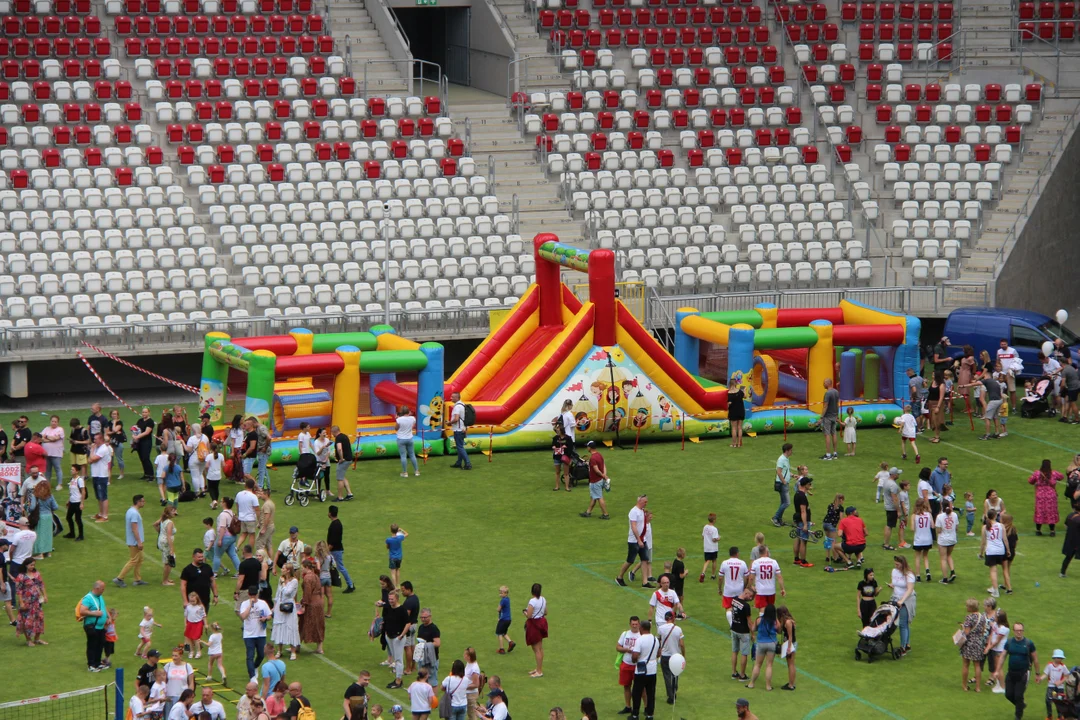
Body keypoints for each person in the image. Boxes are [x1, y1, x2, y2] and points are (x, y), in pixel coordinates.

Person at [1003, 622, 1042, 720]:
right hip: (1011, 672)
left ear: (1023, 631)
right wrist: (997, 669)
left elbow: (1035, 659)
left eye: (1021, 630)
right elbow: (1003, 656)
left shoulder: (1029, 643)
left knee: (1018, 696)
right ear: (1014, 631)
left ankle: (1018, 716)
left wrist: (1037, 674)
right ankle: (1021, 705)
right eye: (1017, 630)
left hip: (1023, 673)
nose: (1019, 632)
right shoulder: (1009, 642)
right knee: (1008, 694)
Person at [616, 494, 652, 588]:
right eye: (645, 501)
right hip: (634, 541)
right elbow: (633, 526)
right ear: (639, 501)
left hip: (642, 539)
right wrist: (639, 540)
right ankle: (619, 577)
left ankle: (645, 582)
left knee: (645, 559)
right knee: (630, 560)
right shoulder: (634, 511)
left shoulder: (642, 511)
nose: (646, 503)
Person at [114, 494, 148, 588]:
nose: (144, 502)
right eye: (143, 501)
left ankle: (137, 579)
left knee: (140, 559)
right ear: (138, 502)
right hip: (135, 542)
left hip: (134, 541)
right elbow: (134, 529)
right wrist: (139, 542)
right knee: (133, 560)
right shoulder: (134, 513)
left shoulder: (131, 511)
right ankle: (119, 578)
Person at [629, 617, 659, 719]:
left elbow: (635, 655)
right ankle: (650, 715)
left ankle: (635, 714)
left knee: (637, 693)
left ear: (641, 628)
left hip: (641, 670)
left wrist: (635, 660)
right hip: (652, 670)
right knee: (651, 693)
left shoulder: (640, 640)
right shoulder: (655, 639)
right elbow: (659, 653)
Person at [745, 604, 778, 690]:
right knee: (769, 665)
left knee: (758, 664)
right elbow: (779, 630)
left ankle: (751, 683)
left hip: (761, 643)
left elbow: (753, 629)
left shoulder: (759, 619)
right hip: (772, 643)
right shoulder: (775, 621)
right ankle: (768, 686)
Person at [959, 597, 989, 691]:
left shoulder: (969, 617)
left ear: (971, 608)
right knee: (977, 665)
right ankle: (978, 688)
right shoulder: (983, 616)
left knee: (966, 664)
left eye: (967, 606)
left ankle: (964, 686)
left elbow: (967, 632)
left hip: (969, 643)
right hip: (979, 642)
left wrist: (963, 628)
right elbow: (983, 630)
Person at [271, 564, 300, 660]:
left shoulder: (294, 581)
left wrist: (283, 583)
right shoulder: (281, 579)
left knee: (291, 627)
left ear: (288, 570)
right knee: (279, 626)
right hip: (280, 605)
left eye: (283, 568)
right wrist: (274, 606)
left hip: (289, 605)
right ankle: (279, 650)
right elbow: (278, 593)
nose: (281, 570)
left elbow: (287, 592)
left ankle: (293, 651)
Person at [14, 558, 46, 646]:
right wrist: (21, 602)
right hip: (26, 602)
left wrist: (45, 595)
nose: (32, 567)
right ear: (26, 565)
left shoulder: (36, 574)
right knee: (27, 621)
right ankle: (29, 640)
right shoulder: (21, 576)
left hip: (36, 602)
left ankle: (37, 639)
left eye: (33, 565)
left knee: (39, 618)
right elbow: (19, 590)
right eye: (31, 565)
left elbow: (41, 584)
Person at [889, 555, 916, 655]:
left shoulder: (909, 575)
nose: (896, 566)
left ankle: (903, 647)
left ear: (903, 564)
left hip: (907, 600)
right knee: (902, 623)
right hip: (896, 598)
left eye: (898, 564)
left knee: (902, 624)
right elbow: (895, 583)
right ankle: (907, 644)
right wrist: (892, 585)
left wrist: (902, 601)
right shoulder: (894, 571)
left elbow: (909, 589)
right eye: (895, 564)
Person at [1029, 460, 1062, 536]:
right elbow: (1061, 477)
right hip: (1051, 495)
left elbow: (1030, 481)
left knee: (1040, 512)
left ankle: (1038, 530)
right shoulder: (1054, 473)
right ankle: (1052, 531)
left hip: (1040, 495)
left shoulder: (1037, 473)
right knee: (1051, 512)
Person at [180, 548, 218, 614]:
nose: (201, 559)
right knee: (193, 621)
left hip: (205, 600)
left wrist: (215, 596)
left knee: (203, 620)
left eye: (202, 556)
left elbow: (212, 581)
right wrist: (185, 601)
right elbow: (183, 585)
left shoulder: (207, 567)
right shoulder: (187, 570)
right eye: (199, 557)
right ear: (193, 557)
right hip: (192, 601)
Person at [616, 616, 641, 714]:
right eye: (633, 624)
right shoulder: (625, 634)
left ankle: (647, 707)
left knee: (641, 688)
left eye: (636, 624)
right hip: (626, 664)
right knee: (626, 686)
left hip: (638, 665)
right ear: (630, 624)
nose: (634, 626)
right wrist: (627, 650)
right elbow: (618, 647)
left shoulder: (641, 635)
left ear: (639, 624)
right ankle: (628, 706)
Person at [658, 612, 685, 705]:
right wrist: (683, 655)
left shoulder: (661, 628)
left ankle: (671, 696)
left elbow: (659, 641)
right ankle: (674, 689)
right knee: (675, 675)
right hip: (676, 656)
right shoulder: (678, 629)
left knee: (666, 676)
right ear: (673, 618)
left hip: (665, 655)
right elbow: (681, 644)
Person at [579, 441, 610, 519]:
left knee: (599, 497)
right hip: (600, 480)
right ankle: (588, 512)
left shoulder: (593, 458)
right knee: (593, 496)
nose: (587, 448)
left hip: (595, 481)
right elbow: (603, 466)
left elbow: (596, 470)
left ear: (590, 448)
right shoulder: (599, 455)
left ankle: (605, 514)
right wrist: (604, 475)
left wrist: (603, 476)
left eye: (587, 446)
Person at [28, 481, 58, 558]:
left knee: (39, 535)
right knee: (48, 535)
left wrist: (28, 508)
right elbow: (55, 507)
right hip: (48, 517)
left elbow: (32, 508)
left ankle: (40, 553)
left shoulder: (36, 496)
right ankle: (47, 552)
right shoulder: (50, 496)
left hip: (40, 517)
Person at [981, 509, 1007, 599]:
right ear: (996, 516)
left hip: (991, 551)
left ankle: (996, 591)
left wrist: (981, 553)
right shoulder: (1001, 525)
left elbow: (983, 542)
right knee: (996, 569)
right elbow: (1005, 539)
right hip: (1000, 550)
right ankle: (994, 587)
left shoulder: (985, 527)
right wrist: (1008, 550)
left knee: (993, 570)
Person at [212, 496, 241, 577]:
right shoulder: (232, 513)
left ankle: (214, 573)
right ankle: (240, 571)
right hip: (232, 537)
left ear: (225, 503)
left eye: (221, 501)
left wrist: (220, 540)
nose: (220, 502)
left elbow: (222, 528)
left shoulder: (223, 515)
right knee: (233, 554)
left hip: (225, 537)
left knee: (217, 555)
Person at [524, 582, 548, 678]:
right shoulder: (543, 599)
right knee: (539, 648)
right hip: (542, 622)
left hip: (534, 624)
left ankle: (539, 671)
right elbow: (545, 612)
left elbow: (529, 615)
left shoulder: (532, 601)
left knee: (537, 649)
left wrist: (524, 612)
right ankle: (538, 668)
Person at [89, 433, 114, 523]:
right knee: (98, 496)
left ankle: (105, 516)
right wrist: (92, 454)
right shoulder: (97, 448)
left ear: (100, 439)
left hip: (102, 475)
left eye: (95, 439)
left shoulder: (103, 448)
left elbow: (93, 458)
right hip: (96, 474)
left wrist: (91, 450)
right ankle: (100, 513)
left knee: (103, 495)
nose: (94, 441)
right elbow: (89, 460)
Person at [791, 476, 814, 568]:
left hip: (797, 518)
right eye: (809, 484)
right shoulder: (802, 496)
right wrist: (805, 524)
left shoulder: (797, 494)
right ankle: (803, 561)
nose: (810, 485)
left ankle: (796, 559)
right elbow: (803, 511)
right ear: (805, 485)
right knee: (803, 541)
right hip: (802, 520)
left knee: (797, 538)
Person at [936, 500, 959, 584]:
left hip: (943, 540)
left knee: (943, 558)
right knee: (949, 555)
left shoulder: (939, 516)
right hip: (952, 539)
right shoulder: (955, 515)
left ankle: (945, 578)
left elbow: (938, 530)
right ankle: (952, 572)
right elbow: (956, 528)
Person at [911, 497, 934, 583]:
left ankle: (918, 576)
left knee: (917, 557)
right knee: (925, 556)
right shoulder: (929, 514)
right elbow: (933, 526)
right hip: (928, 539)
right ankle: (927, 572)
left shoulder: (914, 516)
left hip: (918, 539)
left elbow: (912, 529)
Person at [417, 607, 442, 684]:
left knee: (432, 681)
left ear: (430, 616)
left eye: (425, 617)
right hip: (422, 657)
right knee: (422, 679)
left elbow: (437, 643)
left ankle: (433, 696)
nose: (423, 619)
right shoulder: (421, 627)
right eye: (421, 617)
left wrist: (426, 645)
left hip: (431, 658)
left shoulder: (433, 628)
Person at [330, 425, 355, 501]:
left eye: (332, 433)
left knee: (339, 479)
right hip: (349, 459)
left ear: (334, 432)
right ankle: (349, 493)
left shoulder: (338, 438)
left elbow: (339, 449)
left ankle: (340, 497)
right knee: (342, 476)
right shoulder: (344, 436)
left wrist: (341, 458)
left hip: (344, 460)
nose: (332, 434)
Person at [63, 463, 87, 541]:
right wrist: (69, 500)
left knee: (78, 519)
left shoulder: (79, 480)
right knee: (68, 517)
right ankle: (72, 533)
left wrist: (82, 503)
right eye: (71, 469)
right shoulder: (72, 479)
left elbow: (83, 492)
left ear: (77, 471)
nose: (71, 471)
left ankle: (81, 535)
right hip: (72, 502)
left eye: (73, 469)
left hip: (77, 502)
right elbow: (72, 491)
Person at [996, 338, 1022, 410]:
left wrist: (1014, 369)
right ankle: (1004, 406)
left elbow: (1017, 361)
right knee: (1003, 390)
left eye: (1004, 344)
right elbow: (997, 361)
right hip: (1002, 373)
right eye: (1002, 344)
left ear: (1007, 344)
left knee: (1012, 390)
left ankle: (1014, 407)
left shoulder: (1012, 350)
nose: (1003, 346)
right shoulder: (999, 351)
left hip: (1010, 373)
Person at [771, 443, 793, 527]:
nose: (792, 451)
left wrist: (792, 475)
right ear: (787, 451)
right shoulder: (781, 459)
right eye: (791, 450)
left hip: (783, 483)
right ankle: (775, 517)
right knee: (787, 503)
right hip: (782, 484)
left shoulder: (786, 459)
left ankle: (779, 520)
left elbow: (785, 471)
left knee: (783, 502)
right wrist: (784, 481)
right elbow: (779, 472)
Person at [449, 392, 472, 470]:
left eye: (452, 397)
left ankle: (468, 463)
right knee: (460, 447)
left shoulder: (457, 407)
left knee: (460, 447)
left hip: (458, 430)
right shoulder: (462, 405)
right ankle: (459, 463)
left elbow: (456, 419)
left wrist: (449, 423)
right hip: (463, 428)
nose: (450, 398)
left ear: (456, 398)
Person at [776, 605, 797, 691]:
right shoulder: (785, 621)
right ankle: (791, 682)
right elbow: (780, 632)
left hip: (790, 644)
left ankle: (791, 685)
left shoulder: (788, 622)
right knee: (790, 664)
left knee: (791, 664)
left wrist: (789, 648)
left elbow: (790, 636)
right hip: (788, 643)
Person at [1044, 649, 1069, 719]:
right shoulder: (1049, 665)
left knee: (1059, 702)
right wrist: (1040, 678)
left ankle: (1060, 716)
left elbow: (1067, 676)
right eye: (1058, 658)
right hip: (1051, 686)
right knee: (1048, 701)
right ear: (1054, 658)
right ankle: (1049, 715)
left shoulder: (1063, 666)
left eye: (1060, 658)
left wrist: (1060, 682)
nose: (1059, 659)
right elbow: (1046, 674)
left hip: (1060, 687)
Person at [881, 467, 902, 551]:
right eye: (897, 474)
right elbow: (895, 498)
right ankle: (886, 544)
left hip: (887, 506)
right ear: (894, 475)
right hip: (892, 508)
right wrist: (899, 510)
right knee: (890, 526)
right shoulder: (893, 485)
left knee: (888, 525)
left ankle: (885, 542)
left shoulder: (886, 481)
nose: (898, 475)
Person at [133, 408, 156, 481]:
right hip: (139, 442)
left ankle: (151, 475)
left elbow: (147, 432)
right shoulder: (140, 420)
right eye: (143, 412)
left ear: (149, 413)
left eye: (145, 412)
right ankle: (146, 474)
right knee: (142, 458)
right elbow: (135, 429)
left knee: (146, 458)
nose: (144, 414)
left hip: (146, 442)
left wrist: (137, 436)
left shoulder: (150, 422)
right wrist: (133, 435)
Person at [820, 377, 840, 460]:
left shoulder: (828, 393)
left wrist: (821, 417)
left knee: (827, 434)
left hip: (828, 416)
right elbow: (837, 404)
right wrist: (836, 415)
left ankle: (828, 454)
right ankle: (835, 453)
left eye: (824, 383)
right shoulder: (836, 392)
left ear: (828, 383)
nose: (823, 384)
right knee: (834, 433)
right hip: (834, 415)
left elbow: (825, 406)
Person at [699, 512, 720, 582]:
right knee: (714, 561)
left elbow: (702, 536)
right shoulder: (714, 529)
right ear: (714, 520)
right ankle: (713, 575)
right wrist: (718, 538)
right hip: (713, 548)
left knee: (707, 561)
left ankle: (703, 573)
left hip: (706, 547)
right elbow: (714, 539)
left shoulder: (705, 527)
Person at [728, 374, 746, 448]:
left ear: (730, 384)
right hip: (741, 411)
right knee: (740, 428)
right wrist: (744, 391)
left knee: (734, 428)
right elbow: (745, 396)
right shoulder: (740, 392)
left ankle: (734, 443)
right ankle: (739, 443)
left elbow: (728, 404)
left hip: (733, 412)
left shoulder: (728, 393)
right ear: (735, 383)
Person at [495, 586, 514, 655]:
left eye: (501, 592)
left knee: (499, 633)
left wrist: (498, 610)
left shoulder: (503, 600)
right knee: (503, 633)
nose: (500, 593)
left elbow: (498, 609)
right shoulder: (507, 599)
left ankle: (501, 649)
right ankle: (511, 642)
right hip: (508, 620)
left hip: (503, 620)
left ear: (505, 593)